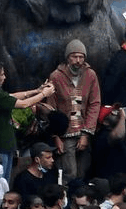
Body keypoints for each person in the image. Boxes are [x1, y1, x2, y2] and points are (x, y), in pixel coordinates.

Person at [47, 41, 102, 180]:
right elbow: (51, 109)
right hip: (66, 135)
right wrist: (56, 137)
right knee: (68, 173)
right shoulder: (56, 76)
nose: (78, 61)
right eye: (74, 56)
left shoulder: (90, 75)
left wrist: (86, 134)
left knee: (83, 173)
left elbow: (94, 104)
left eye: (81, 57)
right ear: (68, 57)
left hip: (84, 131)